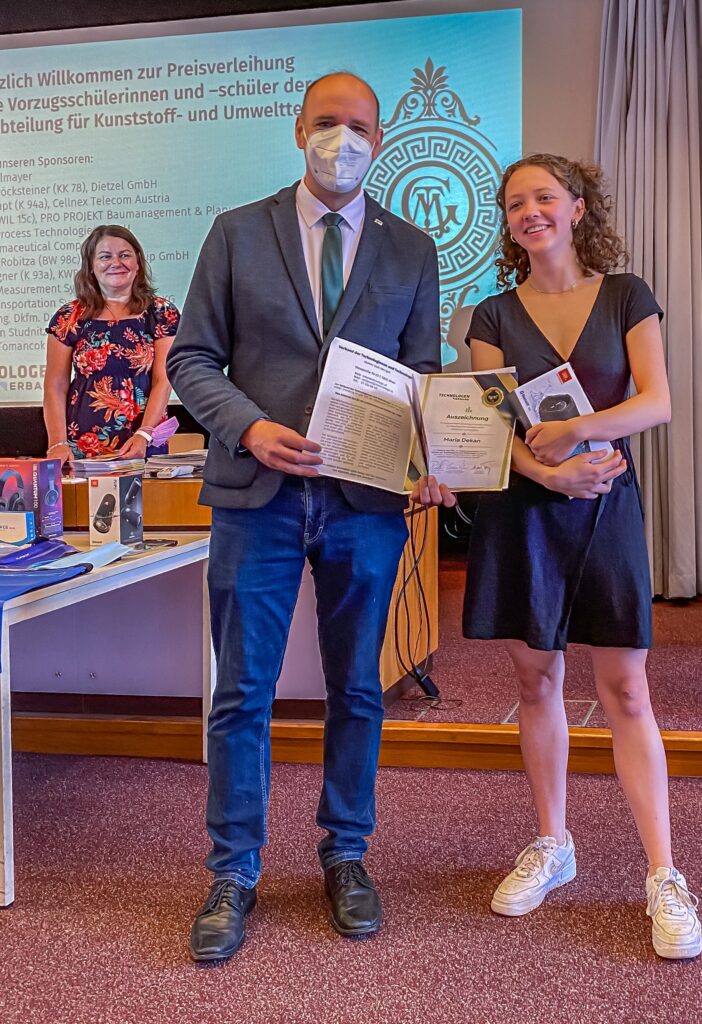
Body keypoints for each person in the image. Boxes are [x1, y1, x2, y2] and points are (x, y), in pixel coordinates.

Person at [166, 72, 441, 963]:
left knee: (358, 688)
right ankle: (233, 870)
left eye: (359, 126)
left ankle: (346, 854)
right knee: (242, 691)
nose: (342, 139)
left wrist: (440, 453)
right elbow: (191, 359)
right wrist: (250, 425)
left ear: (381, 139)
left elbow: (422, 374)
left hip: (365, 504)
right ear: (297, 129)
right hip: (259, 496)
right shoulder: (235, 232)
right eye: (327, 122)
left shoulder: (413, 248)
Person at [463, 154, 702, 960]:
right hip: (526, 511)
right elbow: (491, 425)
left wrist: (576, 431)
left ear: (576, 207)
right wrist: (550, 472)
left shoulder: (627, 294)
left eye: (544, 197)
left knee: (626, 689)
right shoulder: (491, 315)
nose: (529, 211)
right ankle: (553, 843)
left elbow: (656, 402)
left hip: (607, 508)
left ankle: (663, 873)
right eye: (514, 204)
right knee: (536, 682)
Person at [43, 225, 178, 466]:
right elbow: (55, 386)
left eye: (124, 255)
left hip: (142, 439)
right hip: (82, 442)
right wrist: (57, 443)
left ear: (138, 263)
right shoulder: (68, 317)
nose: (116, 263)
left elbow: (163, 380)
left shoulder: (160, 313)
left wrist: (145, 433)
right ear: (91, 267)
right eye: (105, 256)